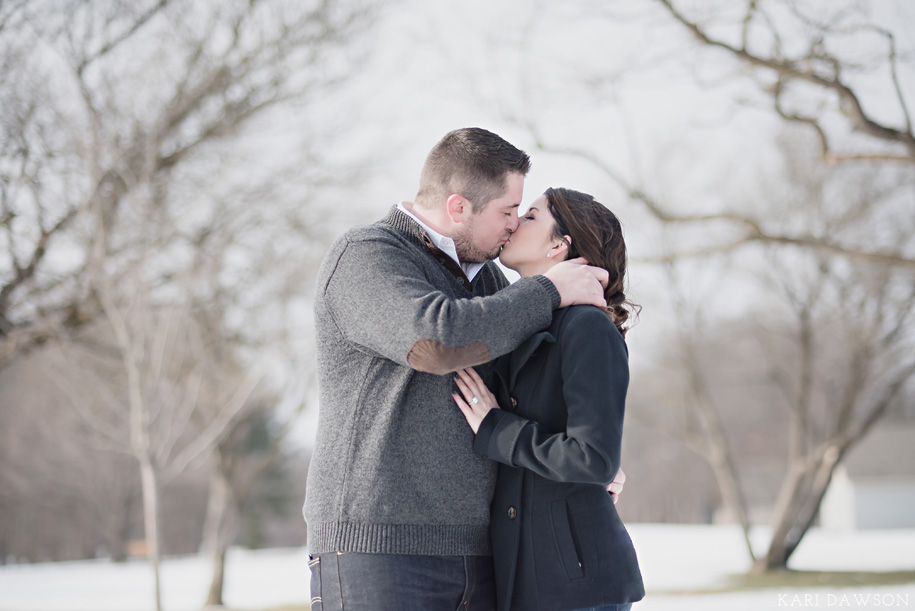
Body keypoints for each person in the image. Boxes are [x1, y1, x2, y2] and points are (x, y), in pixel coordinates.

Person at [304, 128, 611, 610]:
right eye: (507, 212)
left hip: (483, 548)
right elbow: (437, 340)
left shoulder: (488, 281)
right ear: (458, 207)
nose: (513, 225)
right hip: (379, 546)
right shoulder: (367, 256)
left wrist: (589, 458)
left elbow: (532, 394)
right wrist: (550, 290)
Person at [453, 187, 645, 611]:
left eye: (532, 216)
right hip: (524, 580)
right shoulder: (520, 320)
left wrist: (496, 428)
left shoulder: (587, 328)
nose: (515, 222)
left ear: (559, 245)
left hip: (578, 585)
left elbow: (593, 459)